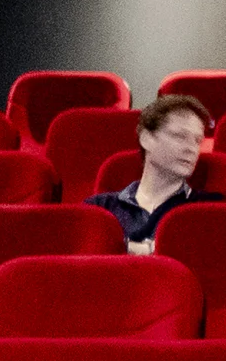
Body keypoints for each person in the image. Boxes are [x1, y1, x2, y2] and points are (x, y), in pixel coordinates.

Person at [90, 93, 215, 252]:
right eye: (180, 136)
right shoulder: (99, 208)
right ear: (146, 139)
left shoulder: (210, 208)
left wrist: (128, 248)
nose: (191, 149)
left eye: (197, 140)